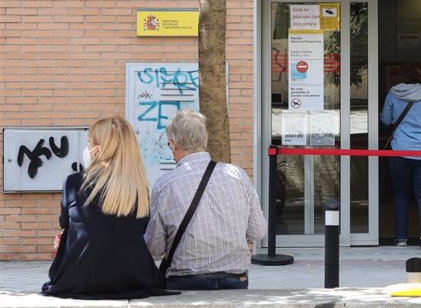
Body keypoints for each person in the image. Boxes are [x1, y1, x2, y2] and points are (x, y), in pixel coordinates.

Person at [42, 116, 165, 299]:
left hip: (77, 279)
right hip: (133, 278)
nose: (87, 148)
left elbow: (65, 224)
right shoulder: (141, 190)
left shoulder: (74, 183)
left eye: (89, 143)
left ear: (98, 150)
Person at [145, 109, 267, 290]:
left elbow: (155, 249)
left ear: (173, 144)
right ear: (206, 138)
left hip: (185, 282)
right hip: (235, 280)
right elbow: (258, 231)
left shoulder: (165, 185)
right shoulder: (237, 175)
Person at [380, 62, 421, 250]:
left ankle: (401, 238)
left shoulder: (393, 94)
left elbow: (385, 119)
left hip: (401, 151)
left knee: (401, 195)